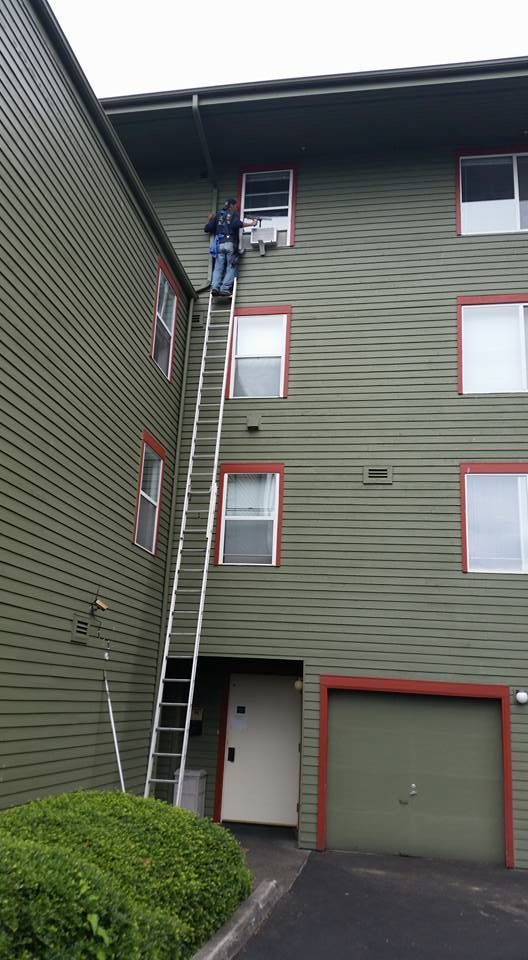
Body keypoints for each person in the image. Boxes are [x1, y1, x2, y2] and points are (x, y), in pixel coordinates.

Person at [204, 199, 257, 297]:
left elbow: (207, 228)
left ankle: (215, 287)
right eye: (236, 205)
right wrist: (251, 224)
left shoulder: (219, 215)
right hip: (229, 243)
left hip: (219, 245)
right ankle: (224, 289)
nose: (237, 208)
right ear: (231, 205)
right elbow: (237, 224)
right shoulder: (233, 214)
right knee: (231, 266)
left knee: (218, 268)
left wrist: (210, 219)